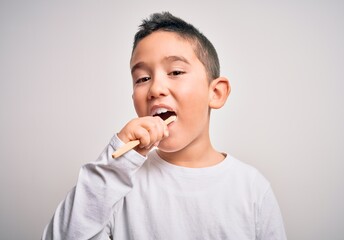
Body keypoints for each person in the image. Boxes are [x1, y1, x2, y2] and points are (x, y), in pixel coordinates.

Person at [42, 12, 287, 240]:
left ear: (216, 93)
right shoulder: (118, 185)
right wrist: (113, 165)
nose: (155, 89)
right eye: (142, 79)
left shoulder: (252, 189)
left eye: (176, 71)